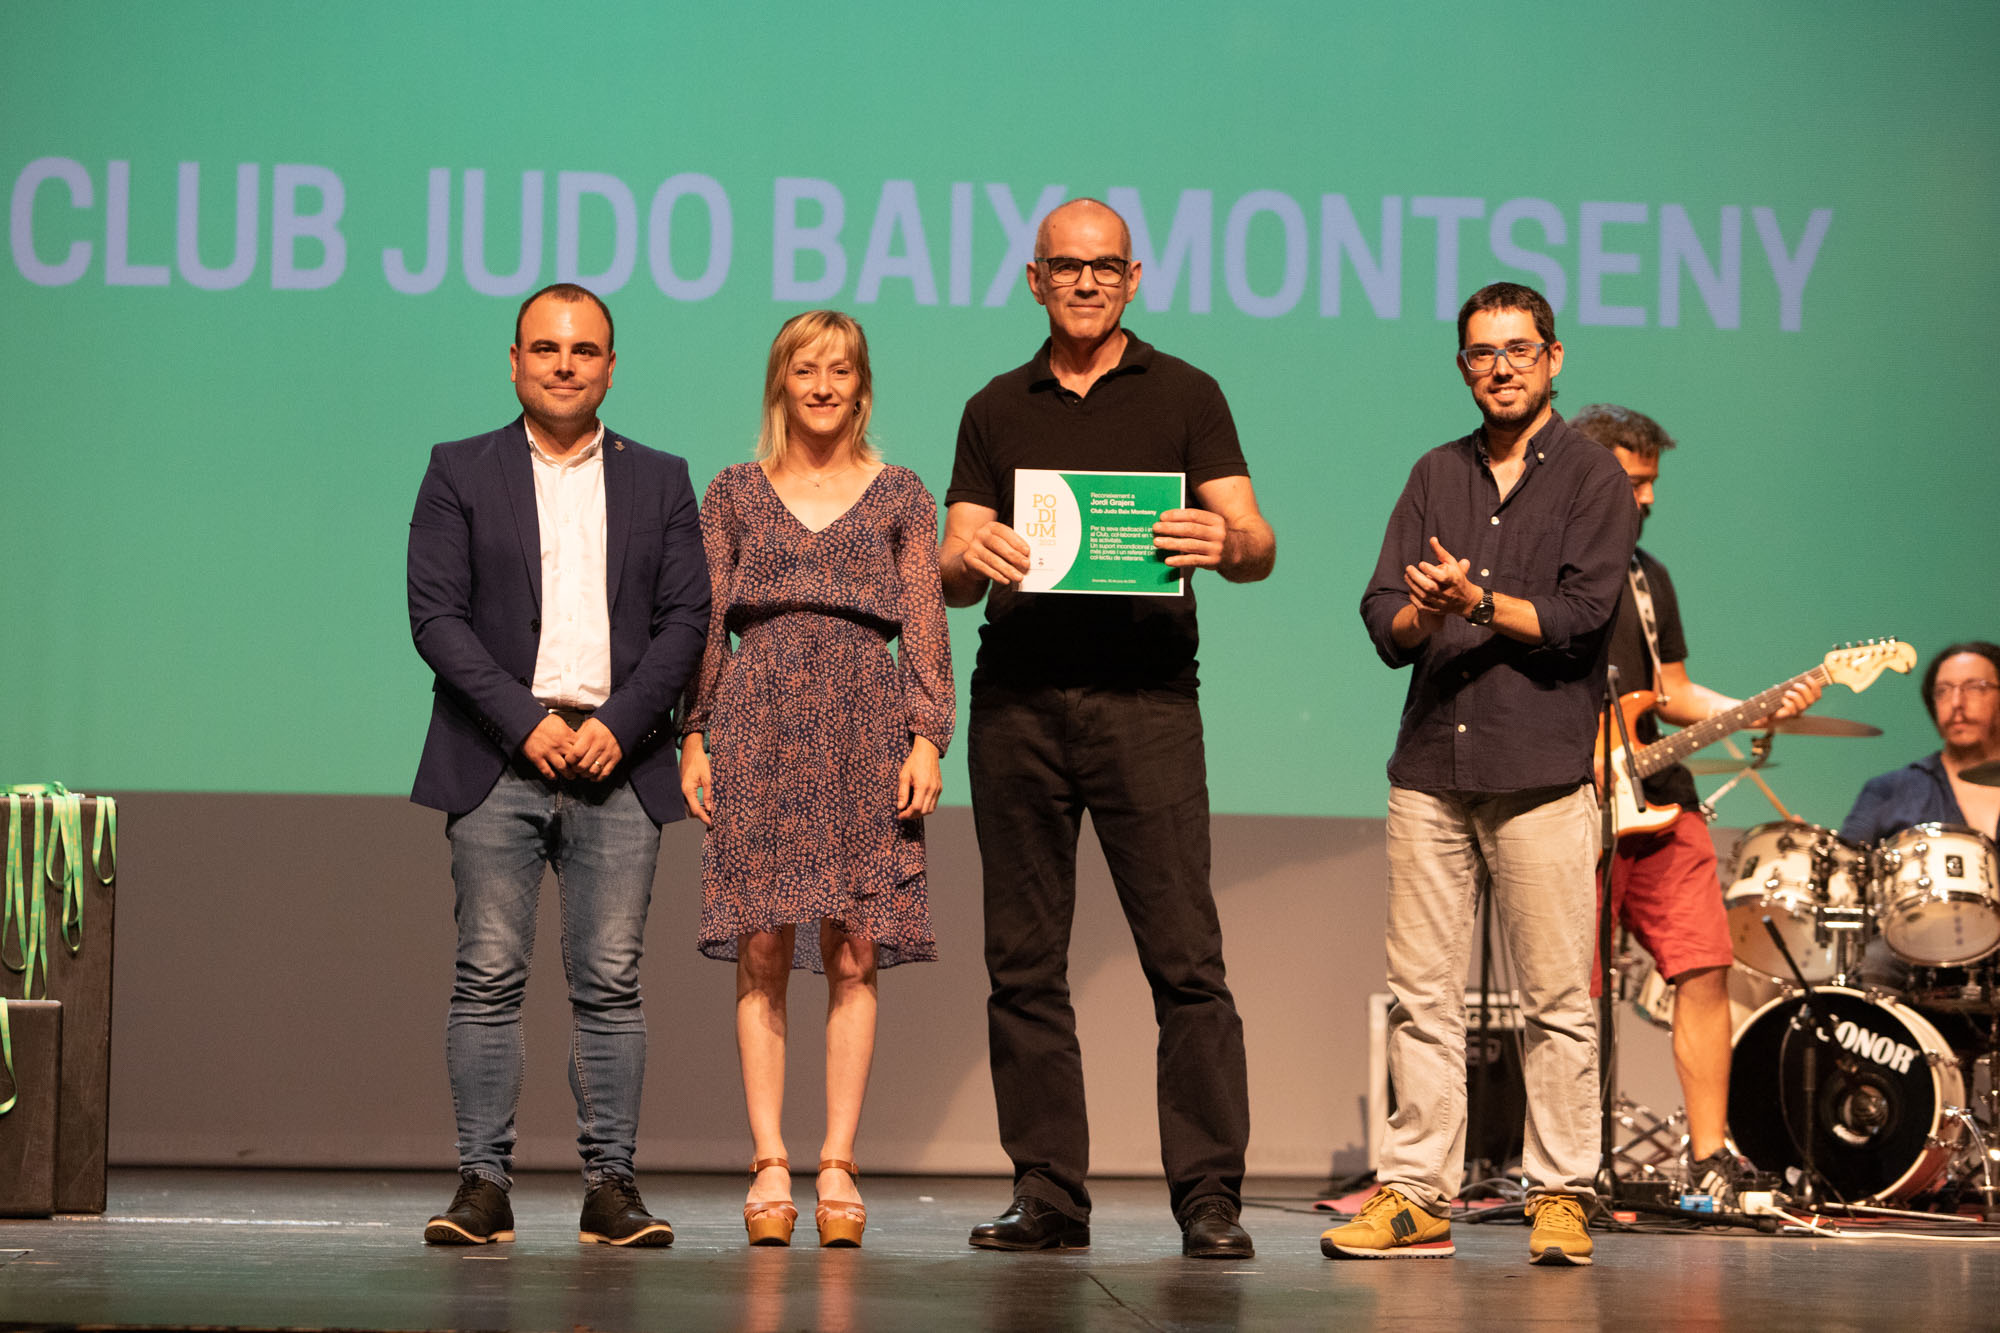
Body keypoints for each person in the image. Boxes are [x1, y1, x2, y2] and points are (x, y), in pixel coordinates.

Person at [939, 198, 1276, 1259]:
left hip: (1146, 704)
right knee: (1023, 964)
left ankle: (1209, 1197)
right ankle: (1046, 1193)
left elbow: (1257, 540)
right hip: (1019, 708)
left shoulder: (1187, 394)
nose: (1085, 284)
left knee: (1185, 959)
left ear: (1132, 278)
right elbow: (947, 569)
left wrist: (1223, 539)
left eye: (1104, 268)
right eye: (1064, 268)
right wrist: (972, 555)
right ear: (1032, 280)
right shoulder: (995, 407)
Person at [1337, 282, 1637, 1265]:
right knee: (1419, 994)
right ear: (1461, 366)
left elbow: (1580, 618)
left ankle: (1558, 1190)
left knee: (1555, 999)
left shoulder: (1590, 476)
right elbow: (1383, 616)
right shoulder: (1434, 472)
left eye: (1516, 348)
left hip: (1540, 769)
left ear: (1553, 358)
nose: (1498, 366)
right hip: (1429, 766)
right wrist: (1429, 611)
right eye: (1479, 352)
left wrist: (1476, 597)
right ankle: (1415, 1189)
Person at [407, 283, 709, 1247]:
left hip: (619, 761)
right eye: (546, 348)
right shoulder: (458, 469)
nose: (565, 363)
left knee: (610, 978)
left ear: (612, 367)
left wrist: (620, 723)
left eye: (585, 350)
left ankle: (611, 1186)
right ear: (514, 360)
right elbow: (436, 618)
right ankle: (482, 1187)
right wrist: (524, 721)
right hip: (496, 758)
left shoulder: (662, 478)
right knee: (488, 972)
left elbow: (686, 621)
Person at [678, 310, 954, 1249]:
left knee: (854, 948)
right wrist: (696, 732)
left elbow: (925, 620)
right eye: (807, 369)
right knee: (762, 946)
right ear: (781, 381)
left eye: (841, 370)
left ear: (862, 383)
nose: (825, 385)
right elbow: (707, 622)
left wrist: (929, 736)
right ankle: (768, 1163)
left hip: (867, 721)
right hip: (759, 718)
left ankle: (837, 1160)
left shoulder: (903, 494)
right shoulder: (735, 491)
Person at [1568, 404, 1820, 1204]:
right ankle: (1566, 1160)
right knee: (1570, 984)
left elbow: (1669, 692)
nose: (1644, 499)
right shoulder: (1542, 566)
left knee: (1704, 966)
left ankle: (1710, 1154)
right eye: (1631, 482)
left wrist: (1757, 706)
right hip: (1573, 799)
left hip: (1663, 801)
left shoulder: (1650, 578)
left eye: (1651, 484)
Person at [1842, 642, 2000, 996]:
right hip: (1914, 945)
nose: (1957, 703)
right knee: (1872, 966)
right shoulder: (1890, 789)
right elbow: (1847, 869)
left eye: (1975, 687)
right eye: (1943, 691)